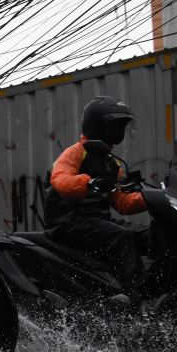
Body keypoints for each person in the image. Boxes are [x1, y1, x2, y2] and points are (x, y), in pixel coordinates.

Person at [44, 96, 147, 296]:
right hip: (68, 221)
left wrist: (153, 198)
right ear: (97, 126)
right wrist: (88, 181)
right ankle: (138, 297)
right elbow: (61, 181)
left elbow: (122, 202)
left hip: (96, 221)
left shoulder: (111, 162)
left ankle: (163, 291)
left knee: (149, 235)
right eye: (113, 126)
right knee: (121, 237)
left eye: (120, 128)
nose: (117, 132)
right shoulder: (76, 152)